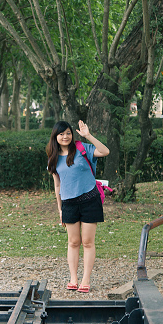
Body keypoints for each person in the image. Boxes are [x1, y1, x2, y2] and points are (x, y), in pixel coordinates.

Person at [46, 119, 110, 293]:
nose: (65, 136)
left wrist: (88, 135)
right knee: (73, 242)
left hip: (90, 200)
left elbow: (105, 151)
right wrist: (60, 209)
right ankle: (73, 278)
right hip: (69, 203)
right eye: (61, 134)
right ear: (55, 136)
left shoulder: (83, 149)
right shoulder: (53, 158)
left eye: (68, 133)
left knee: (88, 242)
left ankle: (85, 280)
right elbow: (57, 186)